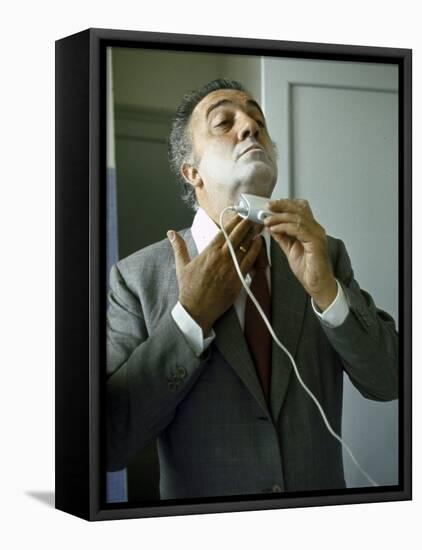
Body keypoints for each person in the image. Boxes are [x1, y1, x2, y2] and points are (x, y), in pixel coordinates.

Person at [106, 78, 398, 499]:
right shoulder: (135, 280)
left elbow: (390, 382)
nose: (250, 126)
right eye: (224, 121)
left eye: (257, 120)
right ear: (192, 173)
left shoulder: (324, 254)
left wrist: (329, 295)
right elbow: (109, 442)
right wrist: (190, 318)